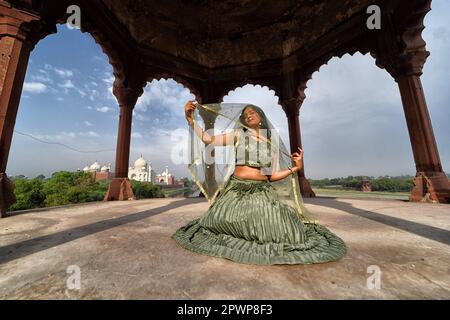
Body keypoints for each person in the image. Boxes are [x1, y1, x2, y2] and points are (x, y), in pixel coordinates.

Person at [171, 100, 347, 265]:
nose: (248, 115)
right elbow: (208, 139)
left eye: (252, 112)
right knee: (223, 223)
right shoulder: (239, 135)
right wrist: (190, 120)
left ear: (261, 117)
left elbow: (271, 175)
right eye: (245, 114)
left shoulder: (271, 144)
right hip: (236, 191)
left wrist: (295, 168)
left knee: (286, 232)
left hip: (261, 191)